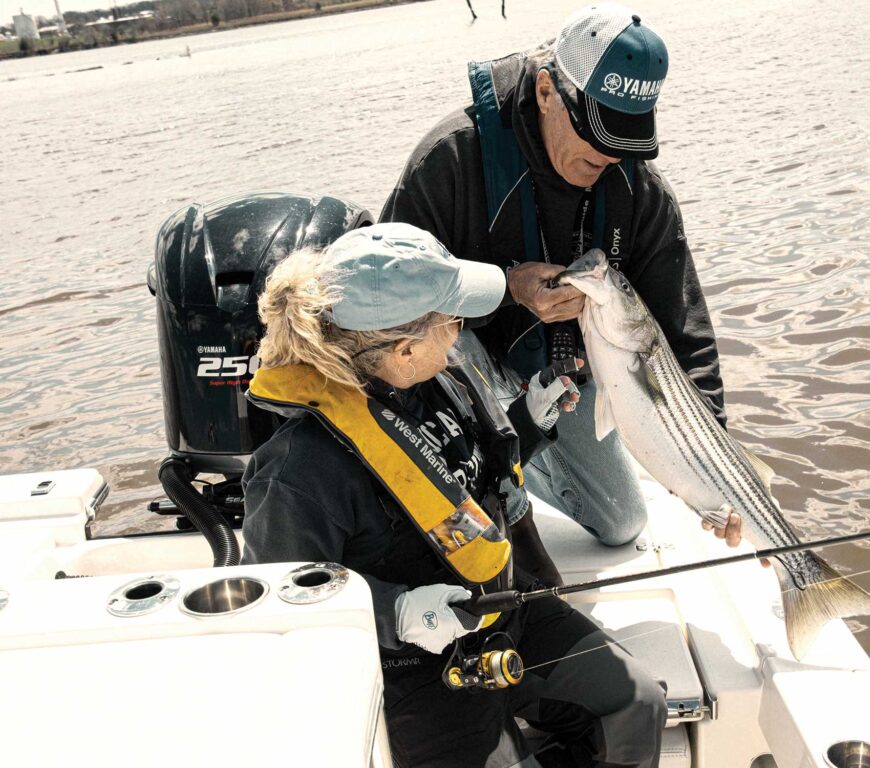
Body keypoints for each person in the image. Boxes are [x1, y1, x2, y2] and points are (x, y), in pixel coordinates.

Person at [241, 222, 667, 767]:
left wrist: (529, 420)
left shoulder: (440, 377)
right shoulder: (296, 470)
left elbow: (466, 477)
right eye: (453, 320)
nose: (462, 331)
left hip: (509, 611)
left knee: (635, 703)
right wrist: (397, 612)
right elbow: (278, 599)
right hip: (414, 671)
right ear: (404, 349)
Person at [381, 3, 734, 549]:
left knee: (622, 523)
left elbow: (686, 337)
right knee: (437, 354)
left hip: (558, 382)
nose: (610, 155)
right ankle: (473, 467)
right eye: (599, 133)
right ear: (547, 91)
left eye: (626, 139)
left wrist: (717, 464)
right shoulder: (449, 159)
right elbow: (385, 294)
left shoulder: (640, 192)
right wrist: (506, 287)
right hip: (455, 362)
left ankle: (511, 451)